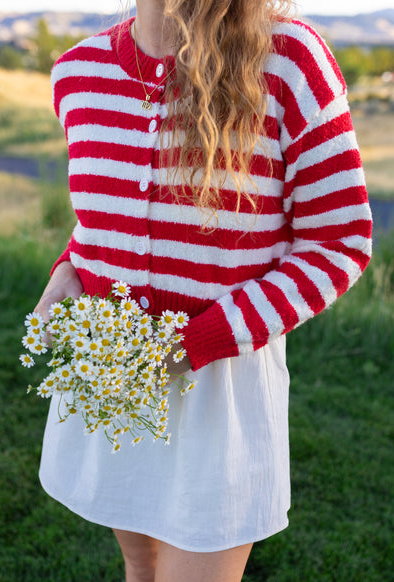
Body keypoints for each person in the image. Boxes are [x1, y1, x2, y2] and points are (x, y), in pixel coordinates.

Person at [34, 1, 372, 580]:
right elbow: (104, 218)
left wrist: (196, 342)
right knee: (141, 570)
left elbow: (339, 240)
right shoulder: (78, 72)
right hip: (112, 377)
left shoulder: (289, 61)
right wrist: (68, 269)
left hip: (221, 391)